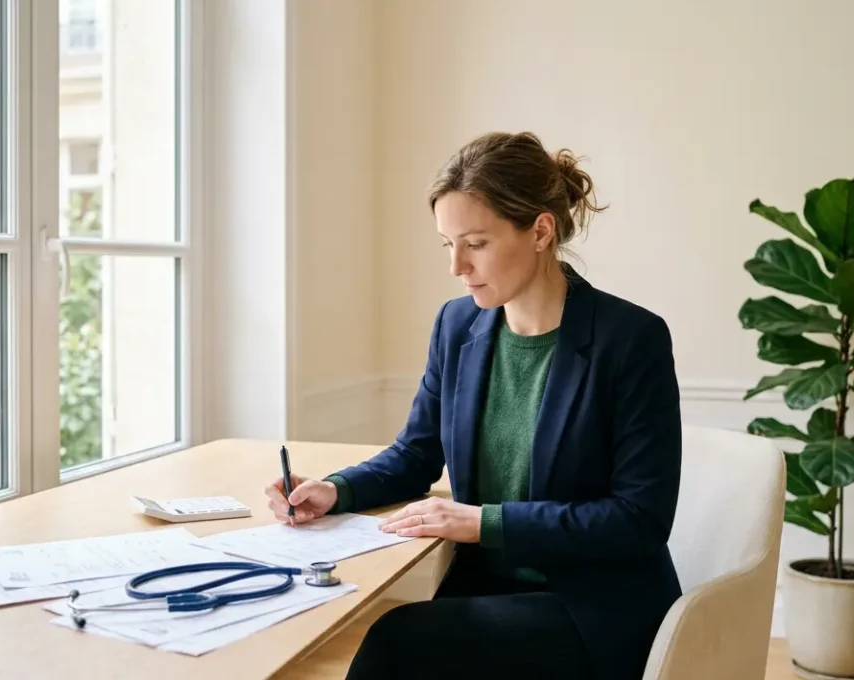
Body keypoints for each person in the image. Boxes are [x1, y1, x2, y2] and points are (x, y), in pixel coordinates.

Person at [264, 131, 683, 679]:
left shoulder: (631, 339)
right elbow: (414, 455)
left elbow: (639, 520)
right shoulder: (456, 324)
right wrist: (336, 490)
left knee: (397, 645)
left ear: (540, 231)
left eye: (476, 244)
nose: (457, 266)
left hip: (591, 608)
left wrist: (485, 522)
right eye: (447, 244)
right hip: (483, 587)